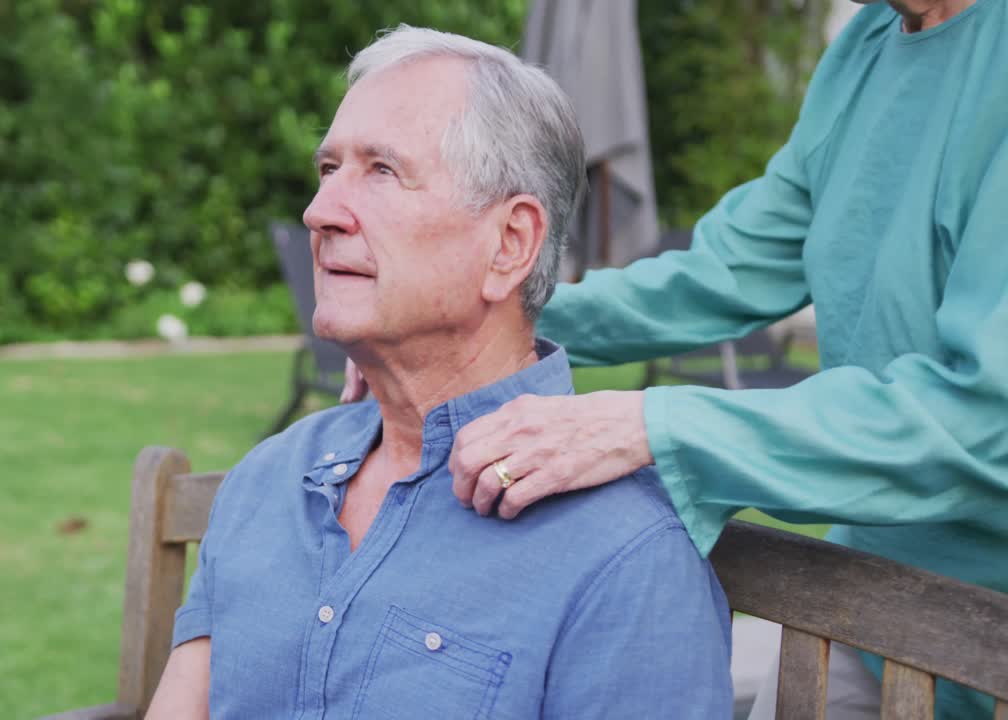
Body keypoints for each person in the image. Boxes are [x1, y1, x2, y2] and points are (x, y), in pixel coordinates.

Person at [343, 1, 1007, 717]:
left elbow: (985, 423)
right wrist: (468, 314)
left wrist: (650, 427)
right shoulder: (867, 45)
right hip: (876, 599)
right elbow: (730, 269)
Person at [147, 26, 733, 720]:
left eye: (382, 170)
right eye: (328, 169)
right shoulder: (271, 479)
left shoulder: (627, 557)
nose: (319, 211)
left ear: (509, 244)